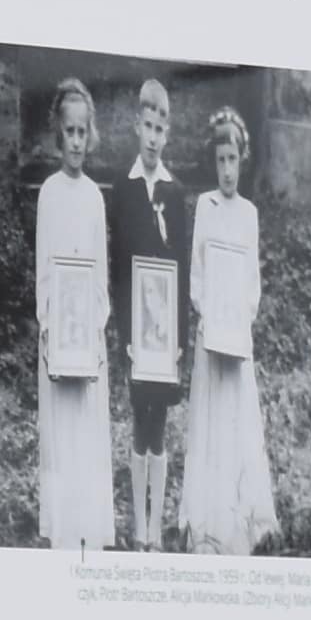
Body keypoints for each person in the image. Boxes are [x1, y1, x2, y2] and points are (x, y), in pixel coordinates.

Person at [176, 100, 276, 557]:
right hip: (211, 335)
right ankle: (207, 516)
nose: (227, 170)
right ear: (213, 162)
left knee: (236, 421)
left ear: (243, 160)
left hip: (236, 337)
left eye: (233, 159)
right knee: (210, 419)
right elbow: (197, 272)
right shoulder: (206, 206)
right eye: (220, 160)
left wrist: (239, 322)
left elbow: (251, 283)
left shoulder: (249, 213)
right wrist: (209, 315)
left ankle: (237, 517)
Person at [105, 77, 192, 550]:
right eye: (148, 127)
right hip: (137, 331)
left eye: (161, 129)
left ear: (168, 133)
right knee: (140, 417)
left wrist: (179, 338)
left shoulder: (176, 193)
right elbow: (120, 268)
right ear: (137, 126)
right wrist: (125, 335)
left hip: (165, 332)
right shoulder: (124, 187)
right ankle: (138, 525)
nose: (154, 138)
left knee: (160, 423)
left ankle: (156, 528)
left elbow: (181, 267)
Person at [29, 79, 116, 546]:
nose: (77, 142)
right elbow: (45, 271)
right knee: (61, 433)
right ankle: (63, 530)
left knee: (86, 431)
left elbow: (99, 274)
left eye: (83, 132)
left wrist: (93, 330)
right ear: (58, 135)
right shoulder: (49, 193)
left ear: (91, 134)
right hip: (58, 342)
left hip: (87, 342)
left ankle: (88, 528)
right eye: (70, 132)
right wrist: (51, 329)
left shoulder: (94, 198)